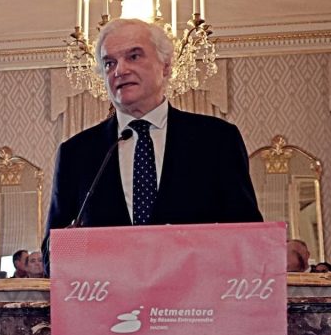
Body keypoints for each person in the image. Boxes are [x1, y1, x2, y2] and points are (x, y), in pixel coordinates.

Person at [42, 19, 262, 274]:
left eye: (133, 56)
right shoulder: (77, 152)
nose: (120, 70)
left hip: (196, 294)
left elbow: (248, 238)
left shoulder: (216, 139)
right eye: (109, 63)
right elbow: (52, 257)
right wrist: (77, 247)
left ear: (166, 66)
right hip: (110, 296)